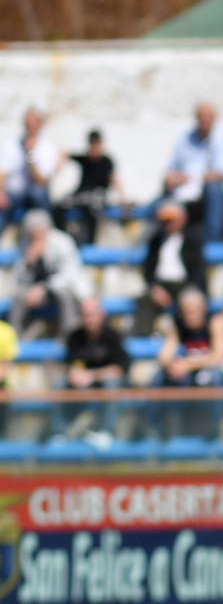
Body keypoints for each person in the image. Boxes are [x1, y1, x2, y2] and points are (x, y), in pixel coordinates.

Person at [163, 102, 223, 244]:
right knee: (162, 199)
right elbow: (171, 168)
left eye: (208, 116)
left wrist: (190, 178)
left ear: (215, 118)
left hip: (209, 194)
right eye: (201, 117)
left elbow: (220, 174)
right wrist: (172, 178)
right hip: (184, 192)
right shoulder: (185, 138)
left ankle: (212, 242)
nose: (204, 120)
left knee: (214, 188)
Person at [9, 209, 87, 339]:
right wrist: (29, 262)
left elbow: (70, 273)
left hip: (59, 289)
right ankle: (14, 338)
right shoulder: (26, 244)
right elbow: (19, 278)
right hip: (36, 292)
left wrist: (44, 288)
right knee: (19, 297)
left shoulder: (62, 241)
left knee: (65, 296)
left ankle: (68, 338)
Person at [61, 296, 130, 438]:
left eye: (91, 315)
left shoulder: (113, 336)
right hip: (82, 385)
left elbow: (121, 367)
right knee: (59, 383)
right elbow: (69, 363)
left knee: (111, 382)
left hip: (105, 384)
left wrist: (92, 375)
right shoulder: (75, 336)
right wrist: (74, 373)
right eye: (85, 315)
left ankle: (107, 432)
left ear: (101, 315)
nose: (88, 319)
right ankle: (59, 433)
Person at [137, 200, 208, 335]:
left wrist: (190, 290)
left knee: (191, 302)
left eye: (171, 220)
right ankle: (146, 339)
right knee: (144, 301)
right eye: (165, 220)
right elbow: (148, 269)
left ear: (183, 218)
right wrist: (154, 287)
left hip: (185, 285)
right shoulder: (156, 240)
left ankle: (191, 339)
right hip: (162, 285)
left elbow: (198, 270)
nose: (168, 224)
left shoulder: (193, 239)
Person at [1, 108, 62, 230]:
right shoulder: (11, 144)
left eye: (34, 123)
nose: (31, 126)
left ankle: (50, 233)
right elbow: (2, 172)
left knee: (40, 195)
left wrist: (30, 155)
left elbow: (42, 180)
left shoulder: (47, 147)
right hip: (15, 193)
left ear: (40, 125)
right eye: (28, 123)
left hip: (36, 194)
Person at [62, 128, 122, 245]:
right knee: (60, 206)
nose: (94, 148)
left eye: (96, 144)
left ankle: (89, 243)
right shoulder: (84, 159)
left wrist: (123, 198)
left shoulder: (106, 161)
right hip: (82, 196)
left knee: (92, 207)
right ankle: (65, 240)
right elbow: (64, 154)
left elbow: (114, 179)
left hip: (96, 198)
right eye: (92, 144)